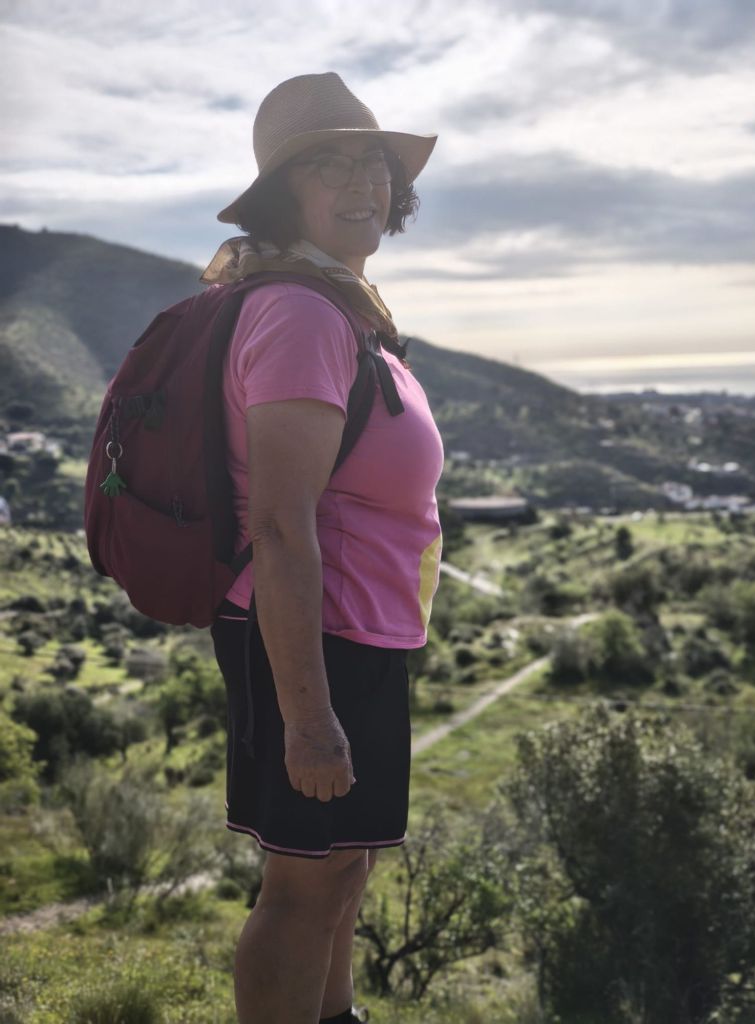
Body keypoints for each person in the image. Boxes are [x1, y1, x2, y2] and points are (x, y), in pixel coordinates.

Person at [205, 72, 443, 1024]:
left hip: (355, 631)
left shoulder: (341, 305)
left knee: (342, 868)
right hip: (314, 637)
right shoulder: (301, 314)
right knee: (305, 883)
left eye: (372, 161)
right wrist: (307, 718)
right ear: (283, 194)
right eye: (327, 164)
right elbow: (278, 524)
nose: (361, 181)